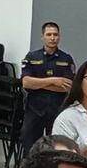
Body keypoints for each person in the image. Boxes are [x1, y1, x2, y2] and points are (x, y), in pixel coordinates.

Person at [20, 21, 76, 157]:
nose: (52, 38)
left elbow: (67, 87)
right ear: (42, 37)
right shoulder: (32, 57)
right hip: (35, 108)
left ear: (59, 37)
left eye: (55, 35)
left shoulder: (66, 59)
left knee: (56, 148)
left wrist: (38, 83)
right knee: (29, 146)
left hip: (57, 109)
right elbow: (26, 83)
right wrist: (54, 81)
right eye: (49, 34)